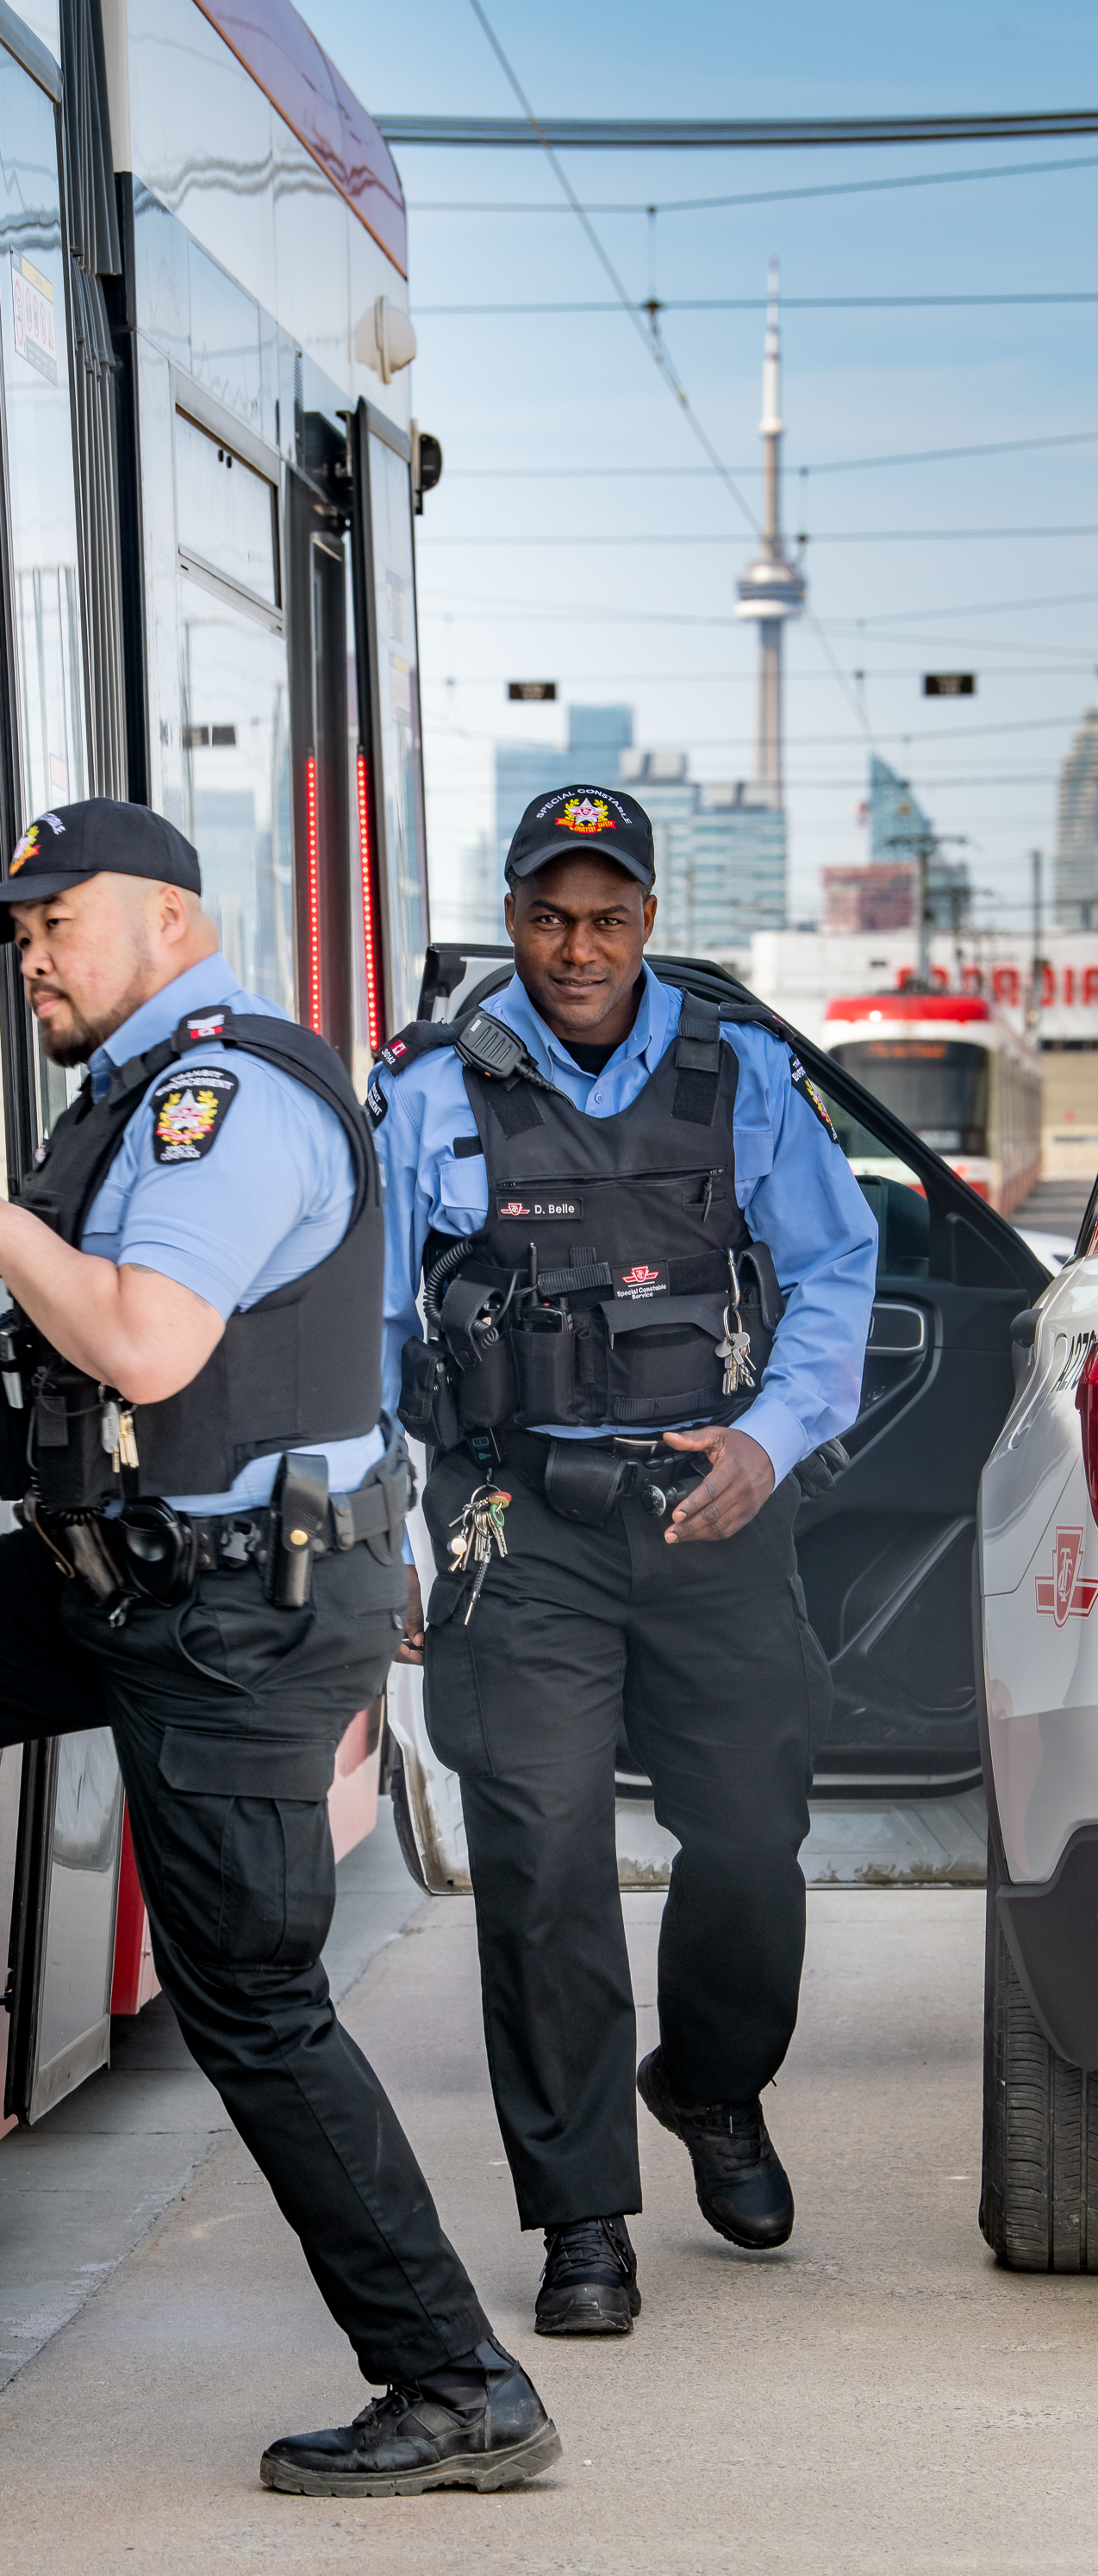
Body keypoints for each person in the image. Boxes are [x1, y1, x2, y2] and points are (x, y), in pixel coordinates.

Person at [0, 797, 561, 2497]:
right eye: (18, 933)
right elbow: (65, 1343)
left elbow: (144, 1336)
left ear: (172, 925)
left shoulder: (222, 1101)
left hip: (240, 1622)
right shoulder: (129, 1101)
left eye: (61, 921)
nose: (34, 954)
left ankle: (457, 2386)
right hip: (123, 1581)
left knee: (251, 2002)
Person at [372, 781, 879, 2338]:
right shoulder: (425, 1094)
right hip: (513, 1525)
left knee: (745, 1836)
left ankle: (710, 2081)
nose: (573, 945)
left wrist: (768, 1439)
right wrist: (378, 1526)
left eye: (603, 916)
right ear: (512, 916)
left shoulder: (744, 1079)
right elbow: (369, 1328)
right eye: (545, 914)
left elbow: (836, 1258)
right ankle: (581, 2215)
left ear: (648, 919)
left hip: (706, 1507)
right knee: (540, 1864)